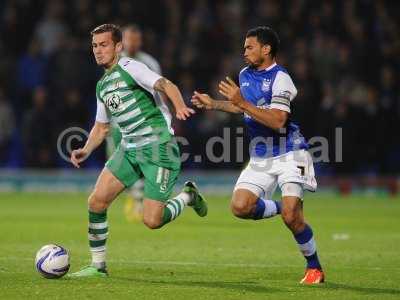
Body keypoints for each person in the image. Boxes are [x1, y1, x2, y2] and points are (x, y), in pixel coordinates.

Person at [69, 24, 207, 277]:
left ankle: (187, 196)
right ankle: (98, 267)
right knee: (96, 201)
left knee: (151, 220)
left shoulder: (130, 67)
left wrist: (179, 107)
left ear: (118, 47)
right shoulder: (102, 86)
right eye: (95, 46)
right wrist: (86, 150)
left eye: (104, 45)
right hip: (129, 149)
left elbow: (166, 84)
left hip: (158, 148)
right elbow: (101, 127)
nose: (98, 51)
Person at [191, 26, 324, 284]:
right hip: (261, 155)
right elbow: (245, 108)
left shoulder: (281, 78)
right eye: (243, 48)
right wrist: (214, 104)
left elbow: (278, 121)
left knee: (292, 219)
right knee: (240, 207)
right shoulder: (244, 74)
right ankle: (285, 208)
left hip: (290, 152)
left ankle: (314, 266)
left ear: (266, 49)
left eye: (249, 47)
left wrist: (242, 103)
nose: (244, 52)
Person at [106, 24, 163, 222]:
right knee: (120, 163)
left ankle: (140, 200)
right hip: (117, 124)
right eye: (129, 39)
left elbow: (159, 91)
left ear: (141, 42)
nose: (132, 43)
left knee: (143, 160)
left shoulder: (149, 63)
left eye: (136, 39)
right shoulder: (113, 62)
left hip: (143, 122)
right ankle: (136, 198)